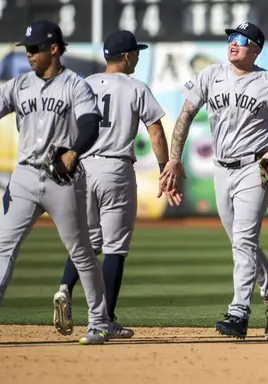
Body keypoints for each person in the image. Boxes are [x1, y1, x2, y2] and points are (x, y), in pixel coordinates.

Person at [160, 22, 268, 340]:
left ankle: (239, 313)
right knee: (239, 242)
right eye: (232, 38)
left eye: (242, 40)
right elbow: (185, 115)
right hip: (221, 168)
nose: (233, 44)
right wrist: (174, 159)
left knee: (245, 241)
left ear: (257, 49)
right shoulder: (211, 75)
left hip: (255, 167)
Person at [0, 20, 111, 345]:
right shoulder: (18, 85)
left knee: (81, 251)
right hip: (25, 177)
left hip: (62, 178)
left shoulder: (76, 85)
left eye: (35, 49)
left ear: (54, 49)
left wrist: (74, 151)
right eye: (27, 49)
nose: (29, 54)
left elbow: (90, 125)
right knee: (3, 249)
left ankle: (100, 322)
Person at [53, 30, 176, 339]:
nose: (137, 56)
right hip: (114, 168)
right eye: (135, 52)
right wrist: (165, 168)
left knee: (88, 243)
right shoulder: (135, 87)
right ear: (125, 56)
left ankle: (65, 287)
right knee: (115, 248)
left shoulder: (84, 84)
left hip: (82, 167)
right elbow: (157, 132)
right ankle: (104, 319)